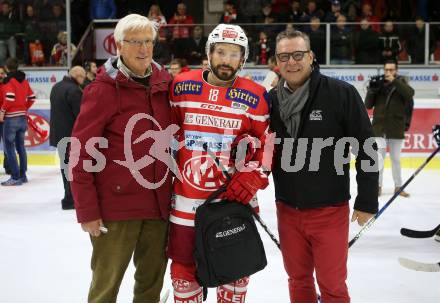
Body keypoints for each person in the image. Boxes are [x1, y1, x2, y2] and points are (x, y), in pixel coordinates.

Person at [268, 30, 378, 303]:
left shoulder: (341, 93)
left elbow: (366, 148)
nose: (291, 62)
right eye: (284, 56)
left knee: (332, 284)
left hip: (329, 211)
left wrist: (367, 200)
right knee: (298, 279)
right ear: (277, 62)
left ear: (311, 57)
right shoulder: (270, 102)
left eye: (298, 55)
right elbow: (260, 150)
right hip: (288, 209)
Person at [70, 14, 172, 302]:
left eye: (149, 42)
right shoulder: (101, 90)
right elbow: (80, 153)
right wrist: (87, 211)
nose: (144, 49)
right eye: (136, 42)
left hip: (158, 210)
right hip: (115, 212)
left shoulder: (166, 85)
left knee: (150, 289)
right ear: (118, 45)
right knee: (105, 289)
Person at [168, 23, 270, 303]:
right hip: (186, 204)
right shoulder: (181, 86)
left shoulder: (256, 96)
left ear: (243, 58)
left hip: (234, 205)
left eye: (234, 54)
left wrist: (253, 176)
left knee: (234, 274)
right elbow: (166, 136)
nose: (226, 60)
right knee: (184, 276)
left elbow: (270, 144)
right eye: (221, 52)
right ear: (209, 53)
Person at [365, 60, 414, 197]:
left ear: (396, 71)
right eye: (386, 70)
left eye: (391, 70)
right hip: (379, 128)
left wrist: (395, 81)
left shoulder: (402, 84)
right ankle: (377, 187)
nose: (388, 73)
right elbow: (368, 105)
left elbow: (409, 94)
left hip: (395, 128)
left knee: (396, 159)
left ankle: (398, 187)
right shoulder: (378, 84)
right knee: (378, 159)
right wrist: (372, 90)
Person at [49, 66, 86, 210]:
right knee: (72, 168)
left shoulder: (56, 87)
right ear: (77, 76)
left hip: (59, 135)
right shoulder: (74, 90)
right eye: (82, 77)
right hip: (71, 136)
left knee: (65, 167)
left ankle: (68, 197)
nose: (83, 81)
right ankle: (70, 199)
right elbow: (81, 115)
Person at [0, 58, 35, 186]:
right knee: (21, 147)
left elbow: (9, 97)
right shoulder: (24, 80)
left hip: (11, 118)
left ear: (6, 68)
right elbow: (32, 97)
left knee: (9, 148)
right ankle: (23, 175)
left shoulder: (9, 80)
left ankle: (15, 177)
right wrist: (24, 107)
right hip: (22, 118)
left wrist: (2, 112)